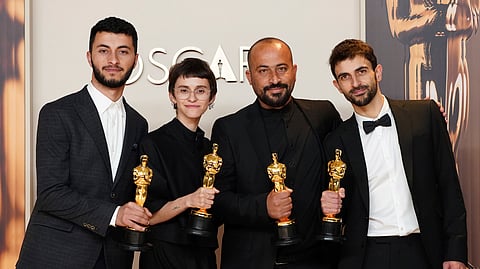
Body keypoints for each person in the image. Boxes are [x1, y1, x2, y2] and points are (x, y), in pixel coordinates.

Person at [16, 16, 151, 269]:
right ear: (89, 57)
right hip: (55, 257)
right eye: (104, 51)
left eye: (123, 52)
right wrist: (114, 214)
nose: (113, 60)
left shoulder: (138, 124)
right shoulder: (57, 113)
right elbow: (50, 193)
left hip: (113, 257)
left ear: (135, 59)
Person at [321, 38, 467, 269]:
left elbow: (450, 188)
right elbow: (342, 206)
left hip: (425, 248)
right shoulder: (335, 142)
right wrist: (330, 204)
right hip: (367, 255)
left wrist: (456, 252)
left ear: (377, 72)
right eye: (345, 77)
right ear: (337, 85)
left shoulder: (425, 115)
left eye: (361, 71)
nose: (356, 82)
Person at [211, 37, 342, 268]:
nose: (274, 79)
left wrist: (339, 195)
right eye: (263, 71)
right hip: (253, 261)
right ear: (249, 77)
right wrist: (263, 206)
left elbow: (348, 172)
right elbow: (218, 201)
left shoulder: (324, 115)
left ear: (294, 71)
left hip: (317, 260)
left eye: (281, 69)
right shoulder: (229, 128)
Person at [138, 57, 219, 269]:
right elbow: (148, 216)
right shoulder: (152, 143)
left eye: (201, 91)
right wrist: (189, 200)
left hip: (204, 254)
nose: (192, 97)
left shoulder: (211, 149)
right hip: (164, 254)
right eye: (184, 90)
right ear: (172, 96)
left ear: (212, 97)